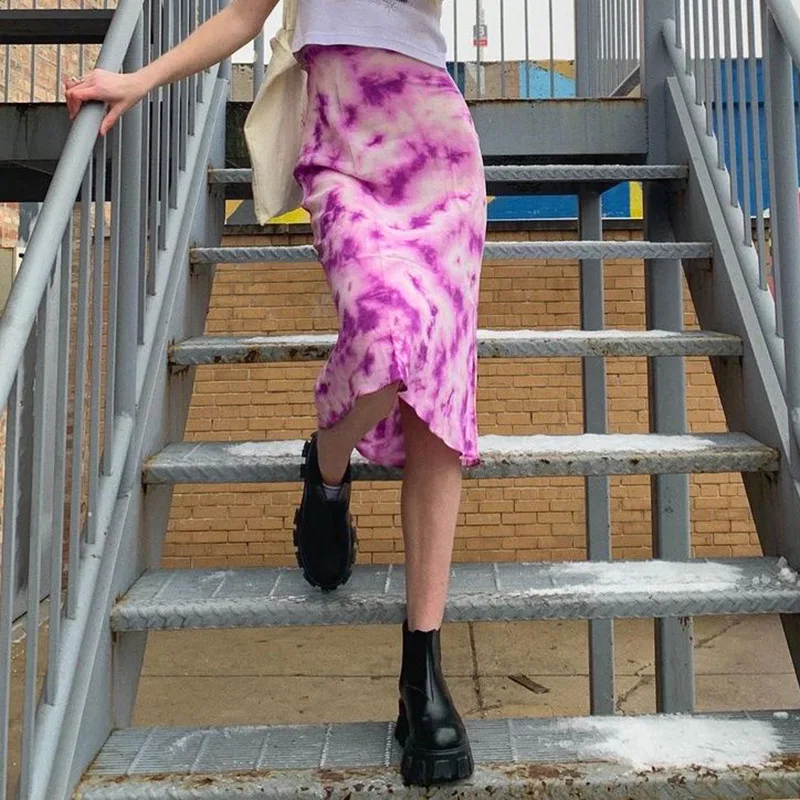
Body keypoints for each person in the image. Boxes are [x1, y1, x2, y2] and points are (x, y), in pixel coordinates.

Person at [65, 0, 486, 786]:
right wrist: (139, 79)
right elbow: (240, 17)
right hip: (343, 145)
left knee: (439, 396)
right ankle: (328, 459)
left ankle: (421, 676)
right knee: (384, 331)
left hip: (438, 144)